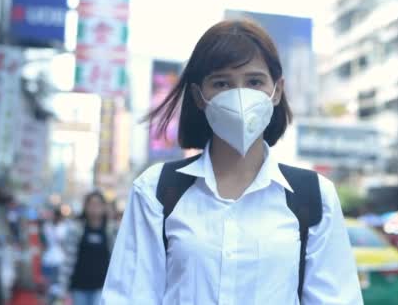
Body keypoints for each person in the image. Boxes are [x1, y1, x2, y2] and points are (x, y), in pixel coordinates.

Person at [101, 19, 363, 304]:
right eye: (222, 83)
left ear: (276, 90)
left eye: (254, 82)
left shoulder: (315, 196)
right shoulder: (155, 190)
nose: (239, 96)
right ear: (199, 97)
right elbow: (128, 297)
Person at [59, 191, 116, 305]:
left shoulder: (111, 231)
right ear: (85, 207)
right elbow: (67, 260)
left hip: (102, 287)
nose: (95, 208)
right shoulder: (75, 230)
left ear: (104, 207)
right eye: (91, 204)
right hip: (79, 286)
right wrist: (63, 288)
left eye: (98, 204)